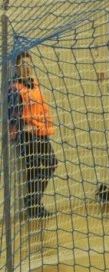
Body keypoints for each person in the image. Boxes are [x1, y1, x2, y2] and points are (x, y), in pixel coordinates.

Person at [7, 51, 57, 219]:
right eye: (23, 65)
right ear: (17, 67)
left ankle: (32, 200)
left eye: (29, 64)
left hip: (40, 132)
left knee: (51, 163)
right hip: (27, 136)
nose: (26, 68)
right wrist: (23, 127)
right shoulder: (14, 88)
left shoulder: (34, 83)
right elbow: (12, 114)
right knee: (33, 168)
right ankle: (35, 207)